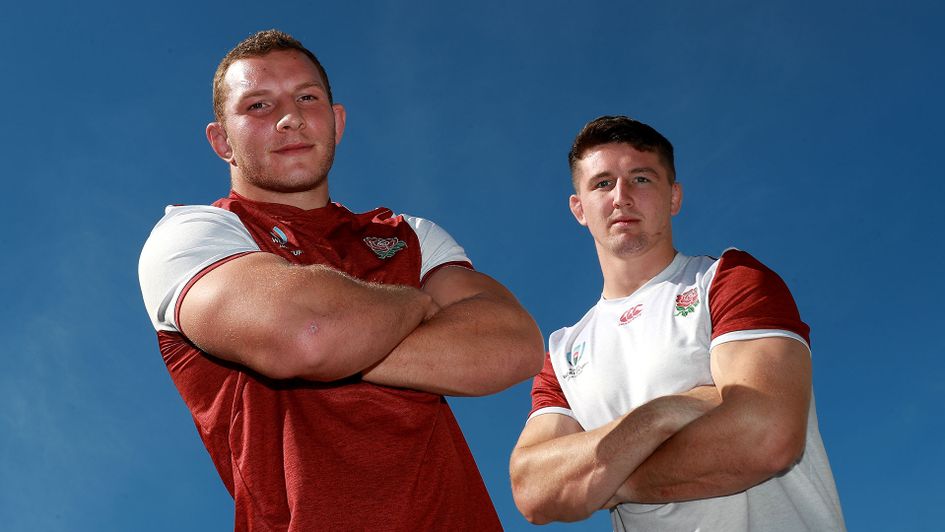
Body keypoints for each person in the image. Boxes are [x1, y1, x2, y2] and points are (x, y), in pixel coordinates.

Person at [138, 29, 544, 531]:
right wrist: (418, 306)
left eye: (307, 97)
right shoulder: (193, 235)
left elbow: (515, 345)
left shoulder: (410, 236)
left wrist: (345, 337)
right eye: (259, 106)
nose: (290, 117)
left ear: (337, 120)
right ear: (222, 140)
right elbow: (307, 335)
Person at [509, 116, 845, 531]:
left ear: (673, 196)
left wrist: (609, 482)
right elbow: (533, 490)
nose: (621, 197)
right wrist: (662, 414)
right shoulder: (563, 353)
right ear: (579, 207)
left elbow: (767, 436)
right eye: (601, 183)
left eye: (642, 179)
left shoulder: (727, 279)